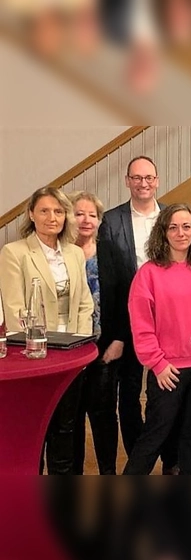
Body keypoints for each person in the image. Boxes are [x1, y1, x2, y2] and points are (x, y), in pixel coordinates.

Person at [123, 204, 191, 475]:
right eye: (173, 227)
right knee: (155, 436)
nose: (181, 233)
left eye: (186, 226)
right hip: (169, 370)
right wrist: (157, 363)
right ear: (163, 233)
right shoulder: (148, 274)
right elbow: (142, 325)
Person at [0, 187, 94, 474]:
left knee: (66, 430)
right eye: (44, 210)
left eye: (58, 211)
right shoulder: (14, 253)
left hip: (72, 355)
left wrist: (77, 346)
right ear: (31, 214)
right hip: (36, 356)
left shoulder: (75, 253)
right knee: (35, 431)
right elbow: (16, 310)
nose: (51, 217)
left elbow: (85, 305)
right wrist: (44, 348)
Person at [99, 155, 177, 474]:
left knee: (168, 396)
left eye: (149, 177)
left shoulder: (173, 218)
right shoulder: (110, 220)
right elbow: (109, 279)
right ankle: (137, 462)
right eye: (136, 177)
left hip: (170, 321)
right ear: (127, 181)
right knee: (129, 396)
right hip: (128, 320)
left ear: (157, 181)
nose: (143, 183)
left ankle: (171, 460)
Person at [71, 191, 128, 475]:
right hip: (68, 352)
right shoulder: (61, 253)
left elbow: (124, 298)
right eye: (79, 213)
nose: (86, 220)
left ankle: (108, 473)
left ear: (99, 220)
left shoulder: (110, 251)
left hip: (104, 349)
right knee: (70, 419)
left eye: (92, 215)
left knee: (104, 416)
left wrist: (119, 339)